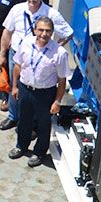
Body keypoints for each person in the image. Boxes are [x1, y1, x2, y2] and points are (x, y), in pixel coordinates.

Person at [0, 0, 72, 131]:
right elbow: (7, 32)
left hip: (40, 58)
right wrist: (2, 53)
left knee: (34, 93)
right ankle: (13, 116)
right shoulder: (17, 9)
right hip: (17, 55)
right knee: (14, 86)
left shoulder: (51, 14)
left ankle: (30, 124)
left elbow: (68, 33)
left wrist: (54, 48)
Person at [9, 16, 70, 167]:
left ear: (52, 32)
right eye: (41, 30)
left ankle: (39, 152)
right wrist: (15, 87)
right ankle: (21, 146)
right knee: (24, 120)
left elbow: (62, 80)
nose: (44, 34)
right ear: (35, 30)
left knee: (43, 125)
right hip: (25, 88)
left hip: (45, 93)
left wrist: (57, 101)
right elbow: (18, 66)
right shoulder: (27, 43)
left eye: (48, 31)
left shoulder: (59, 53)